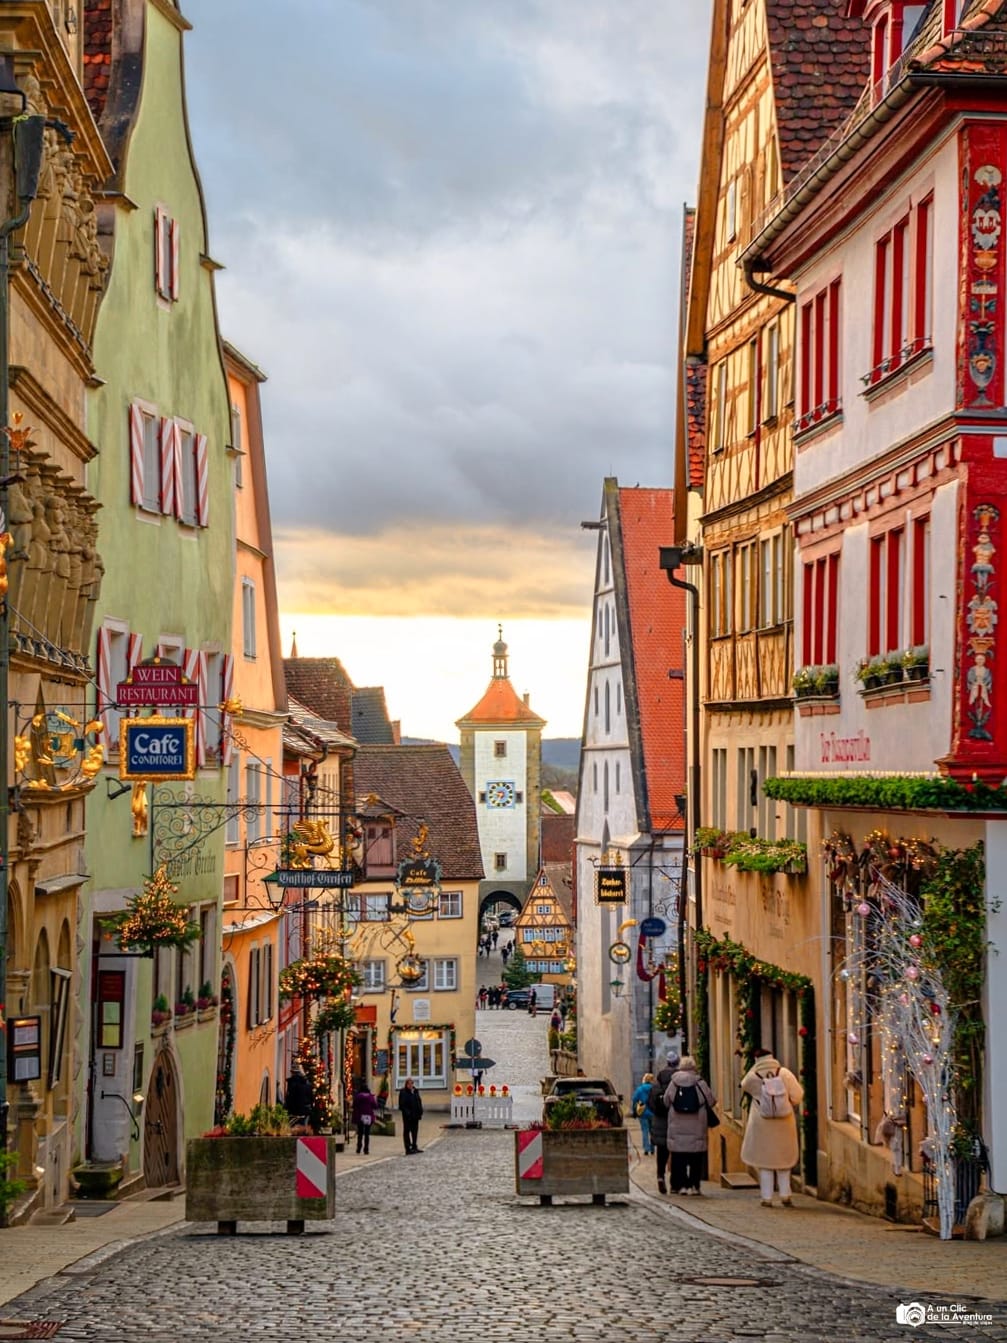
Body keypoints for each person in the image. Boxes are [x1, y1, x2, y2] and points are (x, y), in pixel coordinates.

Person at [740, 1048, 804, 1207]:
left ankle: (766, 1196)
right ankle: (785, 1194)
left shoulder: (752, 1076)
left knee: (765, 1161)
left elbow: (744, 1085)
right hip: (784, 1122)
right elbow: (797, 1095)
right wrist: (788, 1103)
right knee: (784, 1159)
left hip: (761, 1123)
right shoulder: (784, 1073)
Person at [664, 1054, 716, 1194]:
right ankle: (695, 1186)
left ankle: (681, 1186)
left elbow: (666, 1101)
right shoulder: (700, 1082)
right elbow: (711, 1101)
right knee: (696, 1158)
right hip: (697, 1126)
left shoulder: (673, 1083)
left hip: (677, 1126)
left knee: (679, 1158)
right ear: (693, 1067)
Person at [649, 1050, 679, 1194]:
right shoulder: (678, 1083)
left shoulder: (657, 1084)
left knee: (662, 1152)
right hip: (677, 1122)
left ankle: (660, 1177)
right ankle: (674, 1183)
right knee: (677, 1153)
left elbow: (650, 1104)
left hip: (660, 1124)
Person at [631, 1072, 655, 1156]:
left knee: (644, 1130)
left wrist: (634, 1111)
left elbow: (634, 1100)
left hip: (643, 1112)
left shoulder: (640, 1089)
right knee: (652, 1131)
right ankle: (652, 1148)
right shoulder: (654, 1089)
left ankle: (646, 1149)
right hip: (653, 1112)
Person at [351, 1078, 378, 1155]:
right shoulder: (370, 1097)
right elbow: (375, 1106)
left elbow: (354, 1105)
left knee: (360, 1133)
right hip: (368, 1116)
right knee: (367, 1134)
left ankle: (358, 1148)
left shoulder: (358, 1096)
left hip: (360, 1116)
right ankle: (366, 1149)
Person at [284, 1060, 313, 1129]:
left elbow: (290, 1098)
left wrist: (286, 1108)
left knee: (293, 1130)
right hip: (305, 1111)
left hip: (294, 1112)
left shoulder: (292, 1083)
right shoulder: (307, 1083)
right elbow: (311, 1097)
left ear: (293, 1073)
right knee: (303, 1129)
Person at [398, 1076, 424, 1154]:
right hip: (407, 1117)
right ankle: (408, 1148)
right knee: (407, 1131)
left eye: (411, 1083)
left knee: (415, 1132)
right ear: (406, 1084)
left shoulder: (415, 1091)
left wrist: (420, 1111)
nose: (410, 1085)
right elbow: (402, 1105)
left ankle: (414, 1146)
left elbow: (419, 1101)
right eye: (409, 1084)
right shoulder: (403, 1092)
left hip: (415, 1115)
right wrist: (407, 1113)